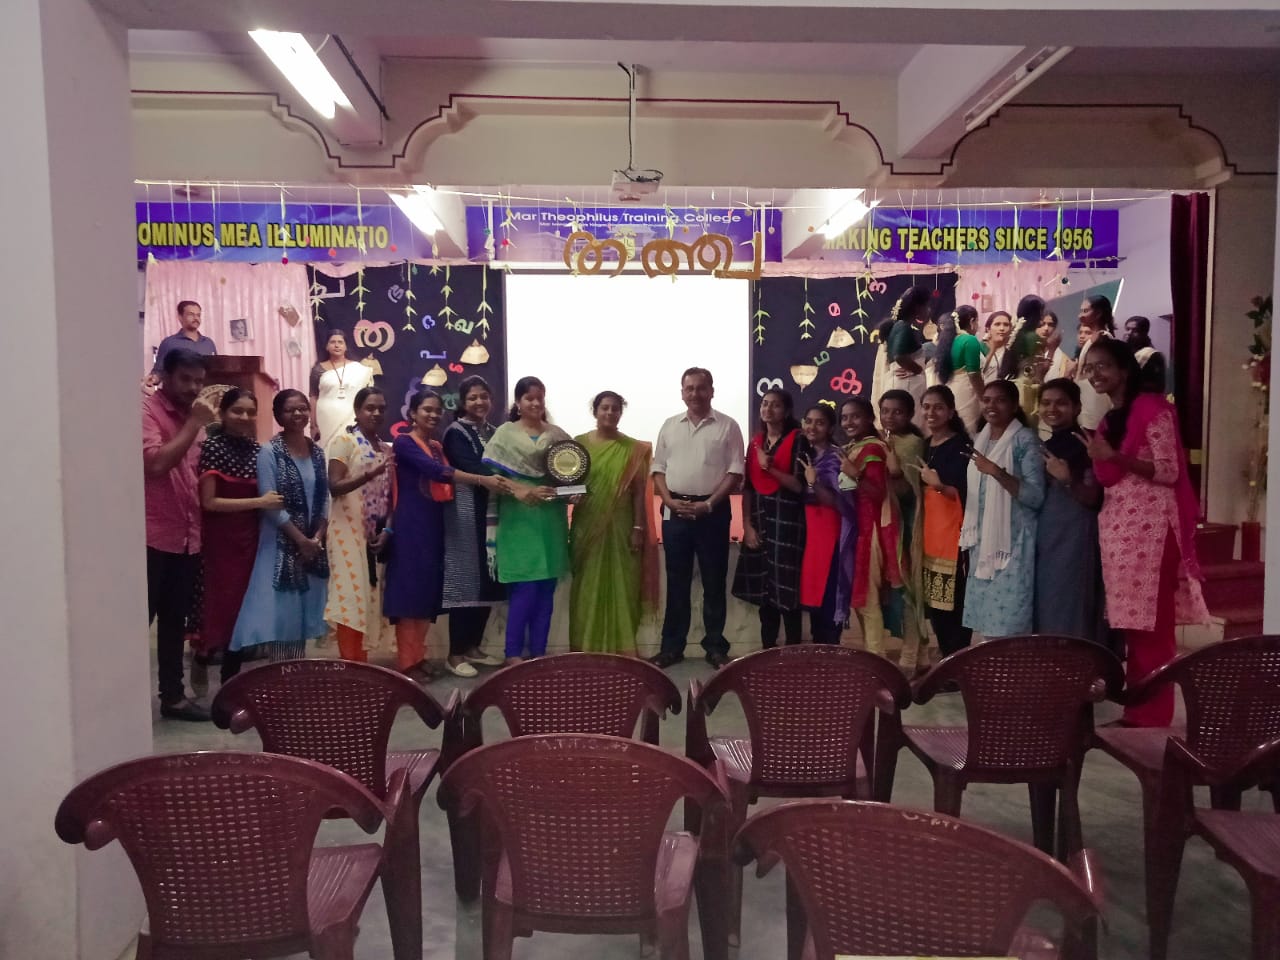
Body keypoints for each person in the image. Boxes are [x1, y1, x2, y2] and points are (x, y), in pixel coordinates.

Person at [1082, 339, 1208, 726]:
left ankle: (1151, 716)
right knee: (1133, 625)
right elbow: (1108, 476)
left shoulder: (1154, 411)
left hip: (1153, 532)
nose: (1095, 374)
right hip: (1120, 533)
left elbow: (1168, 471)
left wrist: (1114, 457)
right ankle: (1138, 710)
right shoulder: (1110, 420)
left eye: (1103, 365)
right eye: (1090, 367)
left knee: (1151, 626)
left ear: (1124, 370)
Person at [385, 389, 502, 679]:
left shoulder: (437, 445)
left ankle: (419, 656)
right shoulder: (404, 442)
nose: (434, 415)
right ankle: (407, 663)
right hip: (410, 525)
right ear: (412, 413)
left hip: (435, 523)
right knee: (409, 593)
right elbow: (437, 472)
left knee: (427, 593)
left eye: (437, 410)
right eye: (427, 409)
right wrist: (482, 479)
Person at [650, 367, 745, 669]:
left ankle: (715, 647)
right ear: (682, 392)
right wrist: (668, 501)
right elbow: (658, 469)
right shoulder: (669, 425)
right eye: (689, 388)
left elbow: (735, 471)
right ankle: (671, 647)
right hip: (675, 510)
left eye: (701, 388)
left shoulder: (728, 426)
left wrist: (709, 504)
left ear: (711, 391)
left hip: (712, 512)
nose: (695, 393)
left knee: (714, 582)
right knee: (676, 582)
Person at [143, 348, 217, 720]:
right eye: (185, 379)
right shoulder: (146, 410)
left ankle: (172, 697)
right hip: (151, 535)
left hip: (187, 535)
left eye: (198, 381)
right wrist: (193, 424)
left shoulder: (195, 418)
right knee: (136, 621)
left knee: (174, 623)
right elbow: (156, 464)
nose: (192, 388)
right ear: (166, 377)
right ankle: (113, 702)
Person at [230, 390, 330, 663]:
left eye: (302, 408)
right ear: (278, 416)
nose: (298, 414)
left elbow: (324, 498)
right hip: (280, 544)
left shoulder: (318, 453)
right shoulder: (269, 452)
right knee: (282, 617)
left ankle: (295, 674)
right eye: (290, 410)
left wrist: (317, 537)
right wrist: (301, 540)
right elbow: (270, 502)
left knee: (301, 615)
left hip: (312, 545)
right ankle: (280, 676)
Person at [195, 388, 281, 685]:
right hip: (218, 544)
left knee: (244, 612)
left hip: (251, 541)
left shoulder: (258, 451)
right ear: (222, 413)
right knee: (219, 607)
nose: (244, 417)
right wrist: (259, 502)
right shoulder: (212, 447)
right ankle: (202, 657)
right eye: (237, 411)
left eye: (250, 412)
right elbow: (209, 502)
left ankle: (229, 683)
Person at [484, 377, 572, 664]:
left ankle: (538, 654)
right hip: (518, 519)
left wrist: (570, 493)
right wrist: (522, 489)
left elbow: (570, 476)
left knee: (546, 591)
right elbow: (493, 480)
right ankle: (512, 655)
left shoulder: (557, 435)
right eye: (529, 398)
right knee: (524, 590)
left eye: (539, 398)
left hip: (550, 519)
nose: (535, 403)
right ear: (518, 402)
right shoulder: (504, 435)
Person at [569, 390, 657, 654]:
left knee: (624, 585)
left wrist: (638, 527)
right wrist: (570, 496)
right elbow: (569, 482)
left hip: (622, 525)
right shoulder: (578, 444)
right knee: (586, 587)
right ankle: (586, 649)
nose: (609, 413)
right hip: (587, 523)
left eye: (615, 409)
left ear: (621, 413)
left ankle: (623, 651)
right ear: (595, 411)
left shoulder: (633, 449)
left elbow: (639, 492)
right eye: (604, 408)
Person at [959, 380, 1046, 639]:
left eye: (1000, 400)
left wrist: (997, 472)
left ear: (1014, 405)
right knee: (987, 625)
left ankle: (1013, 665)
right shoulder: (980, 438)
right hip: (983, 543)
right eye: (986, 400)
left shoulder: (1025, 440)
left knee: (1011, 624)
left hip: (1014, 542)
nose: (991, 406)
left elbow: (1036, 496)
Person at [441, 376, 506, 676]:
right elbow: (471, 466)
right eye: (472, 398)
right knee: (465, 581)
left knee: (488, 580)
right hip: (465, 515)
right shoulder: (455, 432)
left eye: (484, 396)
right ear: (463, 402)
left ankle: (473, 648)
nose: (479, 402)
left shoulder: (495, 431)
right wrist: (506, 480)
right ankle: (454, 655)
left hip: (492, 514)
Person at [1035, 378, 1107, 646]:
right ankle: (1054, 661)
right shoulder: (1047, 444)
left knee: (1072, 598)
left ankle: (1075, 662)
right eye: (1046, 403)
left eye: (1061, 403)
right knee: (1049, 597)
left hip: (1075, 532)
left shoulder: (1086, 443)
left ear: (1076, 407)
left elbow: (1093, 496)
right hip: (1048, 534)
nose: (1052, 409)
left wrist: (1067, 480)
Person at [731, 388, 805, 649]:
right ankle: (767, 652)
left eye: (775, 405)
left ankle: (794, 652)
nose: (768, 409)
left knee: (788, 593)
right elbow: (748, 488)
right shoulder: (756, 443)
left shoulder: (799, 439)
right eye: (764, 404)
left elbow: (799, 486)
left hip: (788, 524)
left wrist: (769, 467)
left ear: (786, 411)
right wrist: (747, 525)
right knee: (765, 593)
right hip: (760, 523)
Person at [324, 387, 393, 665]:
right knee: (350, 599)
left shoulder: (386, 449)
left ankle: (362, 665)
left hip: (373, 535)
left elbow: (390, 496)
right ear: (357, 411)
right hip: (346, 531)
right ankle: (349, 665)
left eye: (381, 408)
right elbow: (334, 486)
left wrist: (387, 530)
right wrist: (369, 474)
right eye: (370, 408)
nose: (376, 413)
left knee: (367, 600)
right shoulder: (344, 442)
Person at [837, 397, 903, 658]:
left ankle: (877, 660)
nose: (848, 422)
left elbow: (877, 493)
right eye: (844, 417)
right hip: (856, 528)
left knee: (867, 599)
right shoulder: (853, 448)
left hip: (870, 529)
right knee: (862, 598)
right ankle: (872, 656)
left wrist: (855, 473)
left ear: (869, 419)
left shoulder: (873, 449)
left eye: (855, 416)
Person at [917, 385, 973, 657]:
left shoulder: (960, 447)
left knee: (954, 606)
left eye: (938, 407)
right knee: (936, 606)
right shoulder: (925, 445)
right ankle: (946, 660)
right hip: (930, 535)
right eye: (926, 407)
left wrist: (938, 485)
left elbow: (966, 491)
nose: (931, 412)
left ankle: (958, 662)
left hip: (952, 536)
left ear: (951, 412)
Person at [880, 390, 930, 676]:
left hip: (908, 525)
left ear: (910, 414)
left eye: (897, 411)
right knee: (900, 592)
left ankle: (909, 658)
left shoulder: (912, 443)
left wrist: (895, 471)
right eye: (885, 411)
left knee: (911, 592)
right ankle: (922, 657)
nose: (890, 416)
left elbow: (909, 495)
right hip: (888, 523)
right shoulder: (883, 441)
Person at [797, 404, 844, 644]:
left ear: (831, 428)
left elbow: (837, 501)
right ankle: (818, 647)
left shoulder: (835, 457)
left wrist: (814, 483)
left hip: (828, 530)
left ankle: (831, 650)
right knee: (813, 594)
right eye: (809, 421)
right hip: (809, 531)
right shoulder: (804, 452)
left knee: (829, 593)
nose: (812, 427)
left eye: (820, 422)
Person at [310, 329, 375, 450]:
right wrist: (313, 425)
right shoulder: (318, 369)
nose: (336, 345)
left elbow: (366, 396)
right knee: (328, 450)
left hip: (352, 417)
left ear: (346, 347)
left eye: (340, 342)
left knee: (351, 449)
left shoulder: (359, 369)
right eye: (332, 342)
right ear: (326, 346)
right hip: (325, 419)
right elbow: (313, 396)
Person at [933, 305, 985, 433]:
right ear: (972, 321)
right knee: (969, 428)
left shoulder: (947, 341)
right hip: (967, 390)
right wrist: (984, 398)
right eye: (977, 321)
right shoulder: (969, 340)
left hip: (949, 388)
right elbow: (973, 374)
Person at [885, 286, 931, 427]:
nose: (929, 310)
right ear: (917, 307)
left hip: (904, 383)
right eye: (926, 306)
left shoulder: (900, 326)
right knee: (910, 426)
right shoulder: (904, 327)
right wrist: (917, 370)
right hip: (908, 385)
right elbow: (899, 356)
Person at [1071, 295, 1115, 430]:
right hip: (1086, 396)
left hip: (1095, 398)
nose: (1080, 315)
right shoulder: (1094, 338)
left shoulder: (1102, 337)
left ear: (1098, 313)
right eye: (1081, 311)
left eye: (1085, 311)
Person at [147, 300, 217, 385]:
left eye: (198, 315)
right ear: (180, 317)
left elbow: (216, 371)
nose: (196, 318)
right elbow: (159, 371)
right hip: (178, 392)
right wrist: (153, 379)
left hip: (206, 392)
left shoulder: (209, 343)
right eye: (191, 314)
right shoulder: (169, 343)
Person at [1125, 315, 1169, 393]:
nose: (1129, 333)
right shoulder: (1125, 349)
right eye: (1128, 329)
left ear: (1144, 333)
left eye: (1135, 330)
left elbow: (1158, 386)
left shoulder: (1152, 355)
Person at [980, 310, 1013, 383]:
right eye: (997, 324)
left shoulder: (1009, 353)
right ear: (988, 329)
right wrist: (992, 349)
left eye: (1006, 325)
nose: (1002, 328)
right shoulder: (980, 348)